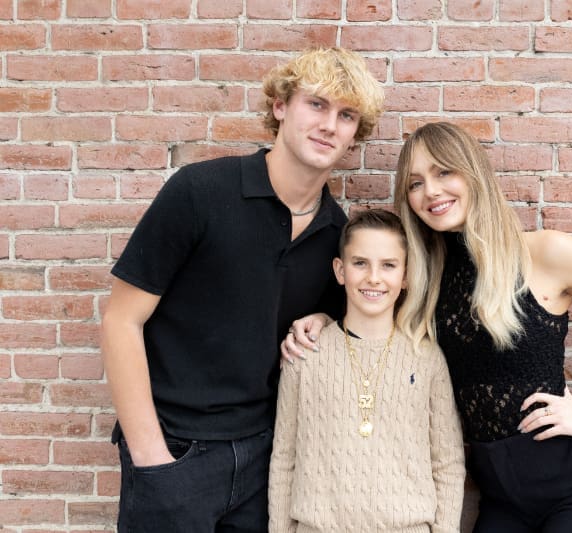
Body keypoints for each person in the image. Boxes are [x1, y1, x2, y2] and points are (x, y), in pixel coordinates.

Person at [286, 122, 572, 532]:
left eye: (444, 172)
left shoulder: (546, 253)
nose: (431, 191)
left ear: (473, 172)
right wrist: (324, 320)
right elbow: (370, 310)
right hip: (503, 498)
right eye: (415, 183)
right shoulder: (426, 280)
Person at [100, 47, 384, 532]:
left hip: (263, 461)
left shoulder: (337, 235)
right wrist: (152, 456)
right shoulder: (200, 191)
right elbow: (120, 320)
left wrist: (323, 317)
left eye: (346, 115)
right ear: (280, 106)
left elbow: (334, 325)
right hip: (176, 449)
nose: (329, 125)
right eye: (316, 104)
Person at [269, 208, 465, 532]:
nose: (374, 277)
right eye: (360, 263)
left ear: (405, 276)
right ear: (340, 270)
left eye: (388, 265)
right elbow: (283, 460)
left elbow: (447, 463)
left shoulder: (426, 357)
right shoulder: (304, 354)